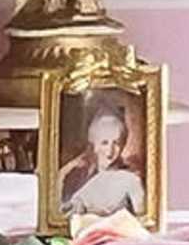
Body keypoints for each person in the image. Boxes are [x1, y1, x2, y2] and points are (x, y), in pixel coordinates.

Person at [56, 93, 145, 221]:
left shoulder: (130, 179)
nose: (110, 150)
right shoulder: (78, 177)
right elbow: (61, 213)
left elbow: (141, 217)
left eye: (116, 143)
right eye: (104, 143)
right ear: (94, 145)